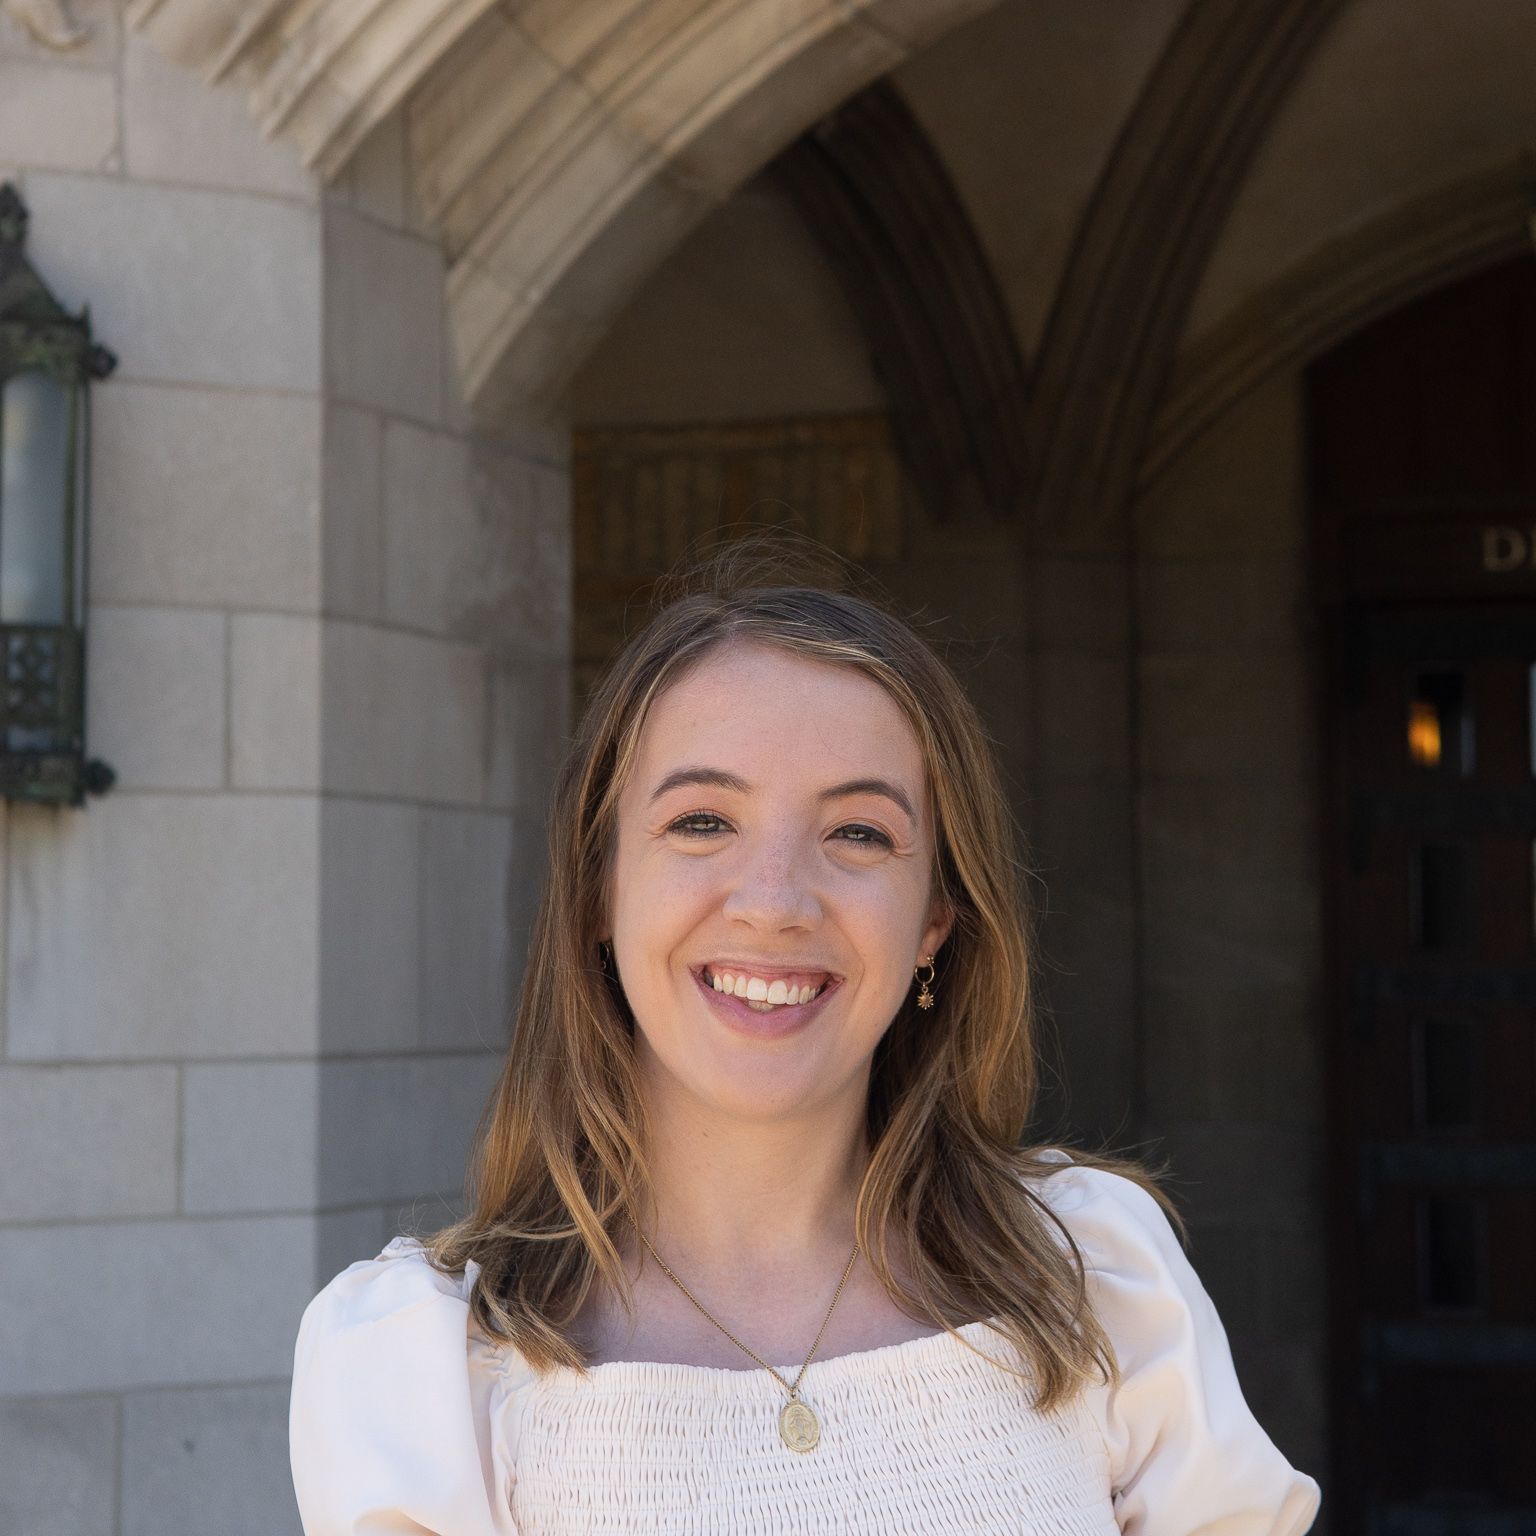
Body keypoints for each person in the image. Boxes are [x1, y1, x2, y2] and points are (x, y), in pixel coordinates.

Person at [289, 533, 1321, 1534]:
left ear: (932, 924)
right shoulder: (429, 1369)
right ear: (600, 890)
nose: (776, 901)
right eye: (702, 822)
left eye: (858, 833)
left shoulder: (1094, 1279)